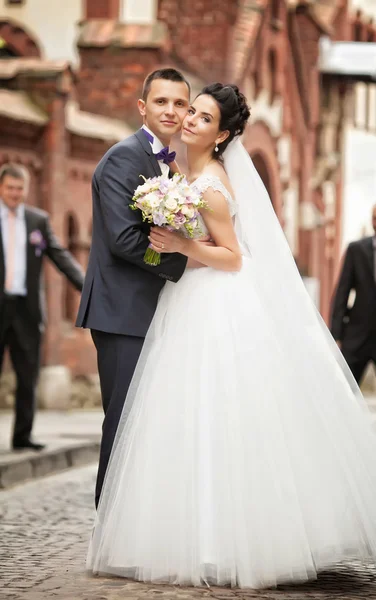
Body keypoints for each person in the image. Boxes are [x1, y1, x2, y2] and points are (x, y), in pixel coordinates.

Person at [87, 84, 376, 592]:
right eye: (190, 111)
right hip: (186, 300)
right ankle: (184, 532)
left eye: (203, 117)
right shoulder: (178, 172)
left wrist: (184, 245)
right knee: (182, 418)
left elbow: (234, 256)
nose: (188, 120)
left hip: (214, 301)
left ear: (224, 133)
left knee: (220, 416)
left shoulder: (209, 181)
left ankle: (228, 539)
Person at [76, 68, 199, 508]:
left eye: (180, 103)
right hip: (122, 314)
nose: (171, 110)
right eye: (162, 102)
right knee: (124, 422)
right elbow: (126, 242)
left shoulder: (168, 163)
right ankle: (108, 523)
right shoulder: (124, 158)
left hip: (152, 313)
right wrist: (186, 262)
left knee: (148, 424)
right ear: (143, 107)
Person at [0, 163, 84, 451]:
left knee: (28, 375)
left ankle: (23, 437)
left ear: (26, 190)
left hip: (27, 310)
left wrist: (86, 286)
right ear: (1, 188)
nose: (15, 193)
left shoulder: (37, 221)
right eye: (10, 188)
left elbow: (60, 255)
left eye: (19, 188)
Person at [330, 200, 376, 477]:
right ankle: (337, 456)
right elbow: (341, 293)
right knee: (343, 400)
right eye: (375, 219)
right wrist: (336, 335)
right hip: (356, 340)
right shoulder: (356, 250)